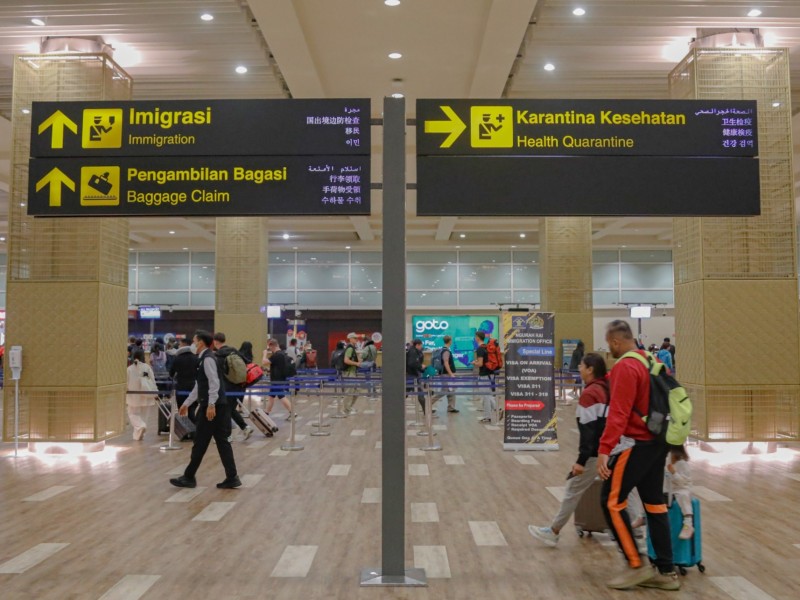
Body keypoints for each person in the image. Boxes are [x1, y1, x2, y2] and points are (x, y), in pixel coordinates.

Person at [597, 320, 677, 591]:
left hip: (636, 444)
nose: (610, 349)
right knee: (655, 505)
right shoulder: (650, 360)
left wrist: (604, 450)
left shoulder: (625, 367)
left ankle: (636, 565)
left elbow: (619, 413)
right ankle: (666, 572)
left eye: (610, 344)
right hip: (658, 443)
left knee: (611, 501)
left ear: (616, 341)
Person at [528, 352, 609, 545]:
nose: (578, 368)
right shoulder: (608, 388)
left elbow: (589, 432)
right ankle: (637, 532)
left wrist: (581, 461)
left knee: (573, 488)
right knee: (624, 491)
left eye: (581, 365)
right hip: (615, 448)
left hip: (597, 453)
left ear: (590, 369)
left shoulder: (590, 394)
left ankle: (554, 531)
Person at [170, 330, 240, 490]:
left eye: (195, 341)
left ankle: (189, 477)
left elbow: (214, 383)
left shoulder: (208, 359)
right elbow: (200, 385)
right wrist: (187, 403)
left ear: (201, 342)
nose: (193, 344)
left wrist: (210, 405)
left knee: (200, 442)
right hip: (218, 407)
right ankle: (232, 476)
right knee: (223, 442)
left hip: (212, 409)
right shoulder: (204, 359)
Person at [213, 332, 253, 440]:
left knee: (226, 410)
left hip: (225, 387)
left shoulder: (218, 355)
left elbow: (217, 373)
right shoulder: (234, 351)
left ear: (215, 341)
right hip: (239, 385)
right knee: (230, 409)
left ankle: (227, 436)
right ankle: (245, 427)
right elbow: (248, 362)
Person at [126, 349, 157, 440]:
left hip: (133, 396)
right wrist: (155, 392)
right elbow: (152, 380)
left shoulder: (129, 369)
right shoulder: (147, 367)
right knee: (144, 416)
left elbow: (126, 383)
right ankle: (139, 435)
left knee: (132, 414)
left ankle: (140, 427)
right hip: (146, 395)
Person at [665, 443, 694, 540]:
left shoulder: (682, 464)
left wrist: (674, 472)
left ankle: (688, 524)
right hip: (671, 490)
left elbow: (683, 482)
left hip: (682, 489)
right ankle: (644, 516)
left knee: (683, 496)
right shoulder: (668, 463)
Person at [170, 336, 199, 423]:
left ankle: (184, 432)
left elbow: (171, 373)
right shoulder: (196, 358)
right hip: (193, 387)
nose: (179, 346)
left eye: (180, 344)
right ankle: (194, 430)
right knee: (191, 411)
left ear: (184, 345)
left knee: (181, 411)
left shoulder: (177, 358)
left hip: (181, 387)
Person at [264, 338, 294, 418]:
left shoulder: (277, 355)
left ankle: (292, 412)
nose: (269, 348)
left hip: (277, 380)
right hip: (279, 378)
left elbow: (264, 362)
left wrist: (264, 354)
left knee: (281, 396)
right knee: (271, 396)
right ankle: (266, 412)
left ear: (271, 345)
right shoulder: (282, 354)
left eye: (269, 346)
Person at [474, 331, 499, 423]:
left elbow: (480, 364)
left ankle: (487, 416)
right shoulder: (487, 347)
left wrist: (474, 363)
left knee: (486, 396)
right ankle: (498, 409)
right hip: (490, 373)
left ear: (477, 338)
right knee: (488, 394)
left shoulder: (480, 349)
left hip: (484, 375)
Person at [436, 335, 458, 413]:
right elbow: (446, 363)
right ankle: (429, 401)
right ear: (450, 341)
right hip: (446, 374)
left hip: (445, 373)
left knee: (451, 390)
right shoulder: (446, 351)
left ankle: (451, 407)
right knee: (444, 390)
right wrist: (451, 374)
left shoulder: (444, 350)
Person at [342, 332, 362, 414]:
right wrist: (356, 363)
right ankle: (346, 409)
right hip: (349, 372)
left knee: (357, 390)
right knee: (349, 391)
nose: (356, 340)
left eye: (356, 338)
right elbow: (346, 360)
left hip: (353, 372)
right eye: (355, 338)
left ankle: (349, 407)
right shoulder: (349, 348)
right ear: (350, 339)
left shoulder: (353, 348)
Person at [405, 338, 425, 412]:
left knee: (406, 392)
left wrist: (421, 369)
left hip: (412, 374)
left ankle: (425, 411)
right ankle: (426, 411)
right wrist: (420, 366)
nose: (421, 347)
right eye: (420, 345)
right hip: (412, 375)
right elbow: (412, 363)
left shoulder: (414, 351)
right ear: (417, 345)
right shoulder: (413, 352)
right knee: (420, 393)